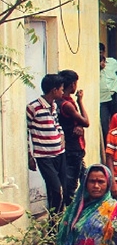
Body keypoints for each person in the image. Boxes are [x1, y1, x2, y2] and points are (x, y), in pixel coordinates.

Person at [27, 73, 69, 211]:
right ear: (54, 90)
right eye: (62, 89)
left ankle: (54, 226)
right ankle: (54, 225)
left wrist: (61, 135)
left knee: (61, 189)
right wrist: (30, 156)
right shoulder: (33, 108)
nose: (63, 92)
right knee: (57, 190)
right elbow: (26, 132)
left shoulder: (54, 106)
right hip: (44, 156)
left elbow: (56, 124)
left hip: (59, 153)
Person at [57, 70, 88, 200]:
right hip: (73, 147)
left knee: (85, 177)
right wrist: (80, 101)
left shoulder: (59, 101)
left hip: (70, 147)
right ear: (72, 85)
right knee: (72, 184)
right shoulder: (67, 104)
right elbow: (86, 121)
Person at [99, 43, 117, 135]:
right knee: (104, 121)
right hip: (101, 97)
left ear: (104, 52)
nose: (99, 55)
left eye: (100, 52)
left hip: (114, 93)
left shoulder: (111, 62)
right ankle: (107, 140)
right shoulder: (92, 65)